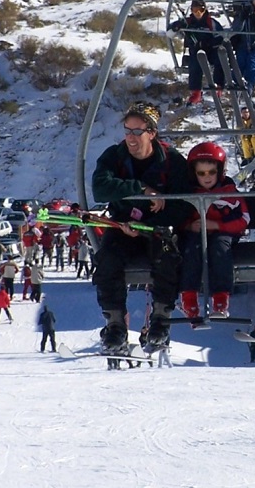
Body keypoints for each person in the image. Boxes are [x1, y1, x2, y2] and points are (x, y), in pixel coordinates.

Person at [91, 101, 192, 354]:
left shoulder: (172, 161)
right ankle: (115, 323)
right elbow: (101, 188)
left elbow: (183, 204)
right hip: (122, 223)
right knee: (107, 258)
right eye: (127, 131)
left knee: (167, 257)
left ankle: (160, 318)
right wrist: (141, 189)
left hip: (156, 226)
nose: (131, 138)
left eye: (137, 132)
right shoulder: (115, 156)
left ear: (152, 133)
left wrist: (149, 223)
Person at [180, 142, 250, 320]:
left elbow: (244, 219)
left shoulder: (229, 193)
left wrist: (217, 225)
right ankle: (189, 297)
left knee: (220, 247)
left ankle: (220, 298)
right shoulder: (189, 193)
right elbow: (178, 218)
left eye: (212, 172)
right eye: (201, 173)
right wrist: (189, 226)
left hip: (223, 234)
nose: (207, 177)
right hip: (198, 235)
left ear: (220, 172)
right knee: (191, 247)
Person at [169, 0, 226, 105]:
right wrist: (177, 25)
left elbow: (220, 37)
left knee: (220, 60)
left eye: (200, 10)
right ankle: (196, 92)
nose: (198, 13)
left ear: (205, 10)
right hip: (196, 51)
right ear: (191, 10)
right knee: (195, 64)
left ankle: (219, 85)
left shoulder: (211, 22)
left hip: (210, 50)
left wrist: (208, 43)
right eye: (195, 10)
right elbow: (171, 30)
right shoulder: (188, 22)